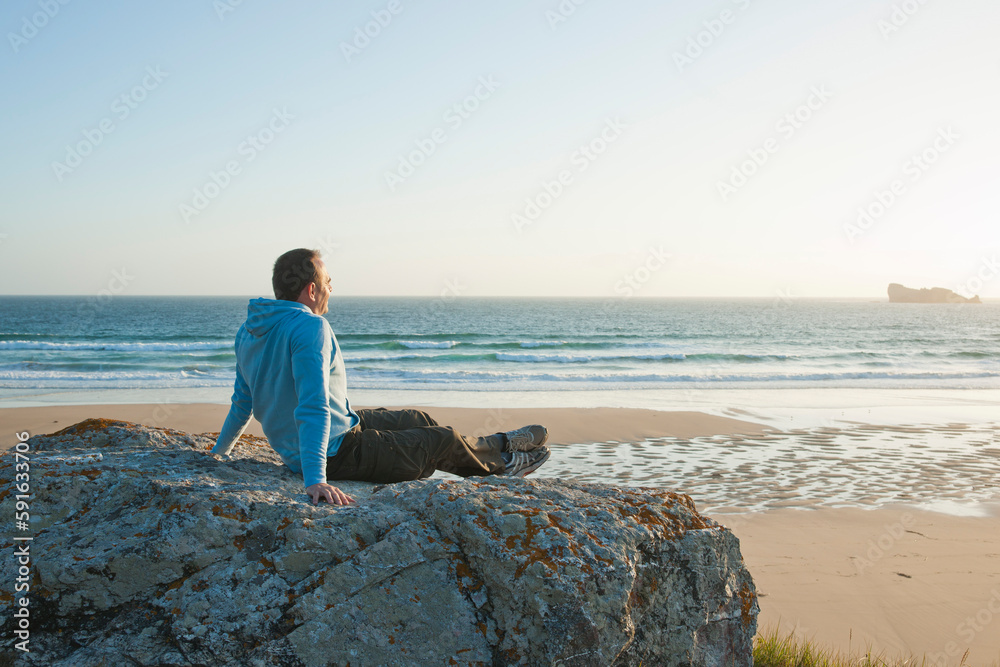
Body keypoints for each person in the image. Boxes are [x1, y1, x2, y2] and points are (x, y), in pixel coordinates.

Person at [212, 248, 550, 505]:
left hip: (336, 431)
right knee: (440, 440)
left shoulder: (249, 330)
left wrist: (219, 453)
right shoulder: (310, 326)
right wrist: (316, 479)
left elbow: (243, 402)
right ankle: (503, 465)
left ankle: (500, 444)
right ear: (312, 291)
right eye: (327, 282)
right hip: (335, 453)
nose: (332, 287)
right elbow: (312, 406)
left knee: (418, 418)